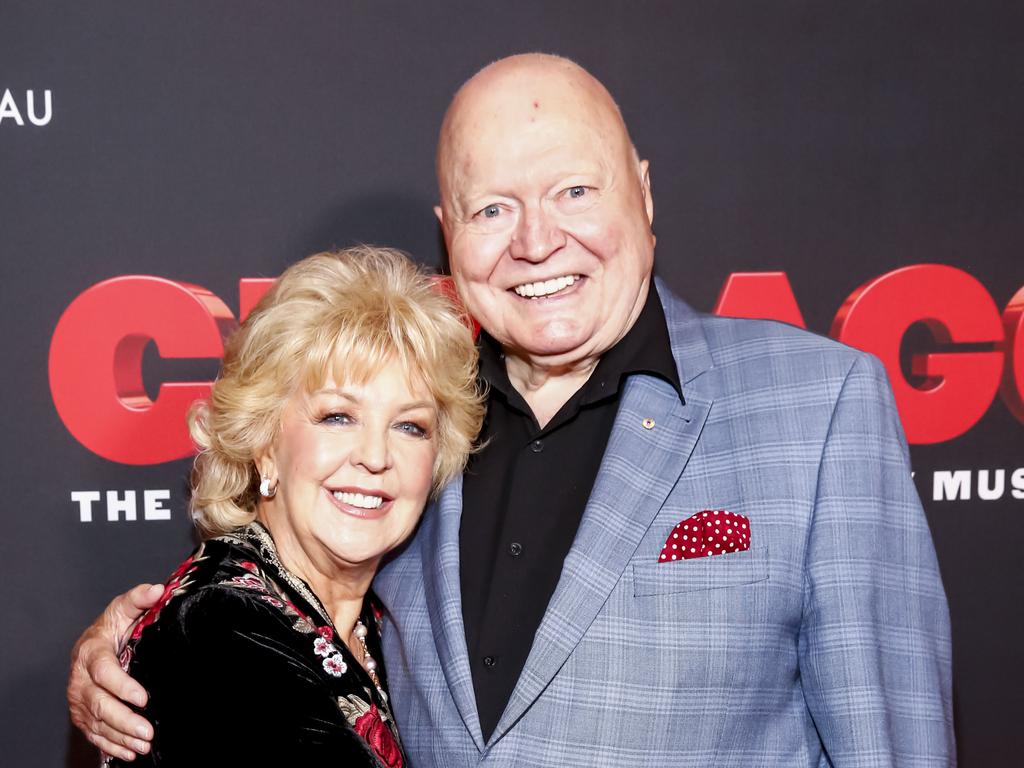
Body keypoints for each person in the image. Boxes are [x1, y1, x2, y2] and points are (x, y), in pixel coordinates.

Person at [70, 55, 954, 766]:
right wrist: (131, 654)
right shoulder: (421, 410)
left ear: (642, 194)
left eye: (574, 190)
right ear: (448, 229)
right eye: (493, 206)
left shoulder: (817, 404)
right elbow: (283, 611)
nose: (536, 240)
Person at [94, 246, 483, 766]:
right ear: (265, 443)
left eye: (409, 426)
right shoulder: (221, 631)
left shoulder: (383, 617)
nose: (374, 456)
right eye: (337, 416)